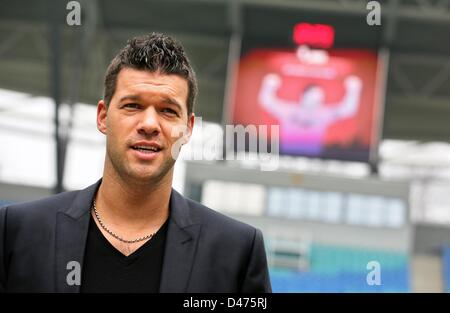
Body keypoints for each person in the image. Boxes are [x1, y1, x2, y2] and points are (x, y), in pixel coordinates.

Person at [0, 33, 272, 293]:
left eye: (168, 110)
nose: (150, 124)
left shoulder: (236, 252)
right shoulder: (17, 232)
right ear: (103, 117)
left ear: (188, 128)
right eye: (132, 106)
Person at [259, 73, 362, 156]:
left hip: (313, 159)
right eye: (314, 95)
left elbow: (348, 110)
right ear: (303, 95)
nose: (317, 99)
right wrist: (268, 85)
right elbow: (267, 102)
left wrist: (354, 90)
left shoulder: (324, 114)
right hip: (286, 157)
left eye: (320, 97)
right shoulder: (288, 110)